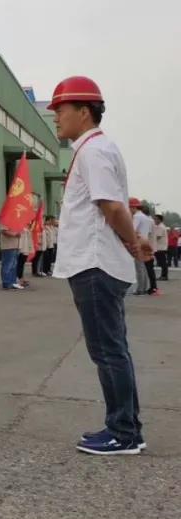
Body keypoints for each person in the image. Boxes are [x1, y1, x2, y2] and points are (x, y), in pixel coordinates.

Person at [48, 75, 145, 455]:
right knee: (113, 350)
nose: (56, 117)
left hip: (95, 264)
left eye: (61, 110)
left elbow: (112, 207)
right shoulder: (94, 149)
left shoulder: (93, 151)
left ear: (84, 112)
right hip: (96, 263)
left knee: (108, 351)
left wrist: (131, 242)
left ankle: (123, 433)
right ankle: (127, 428)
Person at [130, 199, 156, 296]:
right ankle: (144, 288)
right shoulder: (146, 218)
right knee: (143, 267)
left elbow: (132, 229)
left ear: (133, 207)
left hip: (138, 242)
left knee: (139, 267)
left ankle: (140, 289)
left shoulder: (137, 217)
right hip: (145, 242)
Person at [0, 220, 22, 291]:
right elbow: (4, 231)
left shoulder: (14, 220)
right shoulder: (4, 219)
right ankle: (6, 283)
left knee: (13, 266)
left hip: (15, 246)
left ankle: (12, 282)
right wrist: (15, 235)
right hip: (8, 246)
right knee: (7, 265)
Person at [152, 214, 169, 282]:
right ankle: (163, 275)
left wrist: (150, 239)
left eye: (155, 219)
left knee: (162, 262)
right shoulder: (159, 226)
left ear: (159, 220)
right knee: (162, 262)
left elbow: (158, 237)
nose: (154, 220)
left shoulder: (161, 227)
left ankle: (164, 276)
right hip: (159, 247)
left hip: (160, 247)